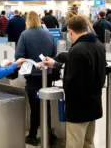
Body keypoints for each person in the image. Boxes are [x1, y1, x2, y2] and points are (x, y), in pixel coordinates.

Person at [43, 15, 106, 148]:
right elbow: (86, 68)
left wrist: (58, 70)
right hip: (94, 104)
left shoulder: (77, 50)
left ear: (71, 31)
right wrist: (57, 63)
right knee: (88, 143)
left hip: (79, 109)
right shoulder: (98, 45)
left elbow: (71, 82)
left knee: (74, 143)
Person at [15, 11, 57, 146]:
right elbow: (54, 54)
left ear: (28, 21)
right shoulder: (49, 34)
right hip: (47, 75)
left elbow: (19, 55)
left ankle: (33, 135)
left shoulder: (25, 35)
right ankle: (48, 133)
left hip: (32, 77)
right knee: (46, 104)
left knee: (34, 106)